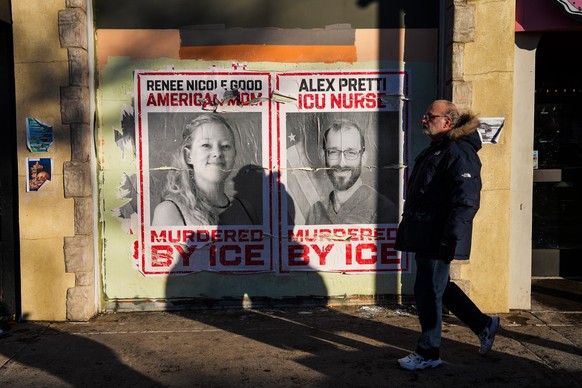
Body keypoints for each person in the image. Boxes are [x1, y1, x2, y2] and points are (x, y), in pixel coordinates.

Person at [395, 100, 499, 370]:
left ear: (448, 122)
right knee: (438, 287)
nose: (424, 120)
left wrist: (451, 237)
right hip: (428, 234)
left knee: (428, 291)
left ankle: (429, 353)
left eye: (430, 116)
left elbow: (466, 199)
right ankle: (484, 324)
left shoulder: (457, 151)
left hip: (439, 235)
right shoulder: (440, 149)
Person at [151, 113, 258, 226]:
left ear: (234, 154)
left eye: (226, 146)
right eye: (206, 145)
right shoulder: (170, 211)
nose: (217, 153)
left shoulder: (246, 209)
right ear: (189, 156)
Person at [305, 119, 397, 224]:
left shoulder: (383, 210)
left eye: (351, 153)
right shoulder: (316, 212)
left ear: (363, 158)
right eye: (334, 152)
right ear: (323, 156)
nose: (341, 163)